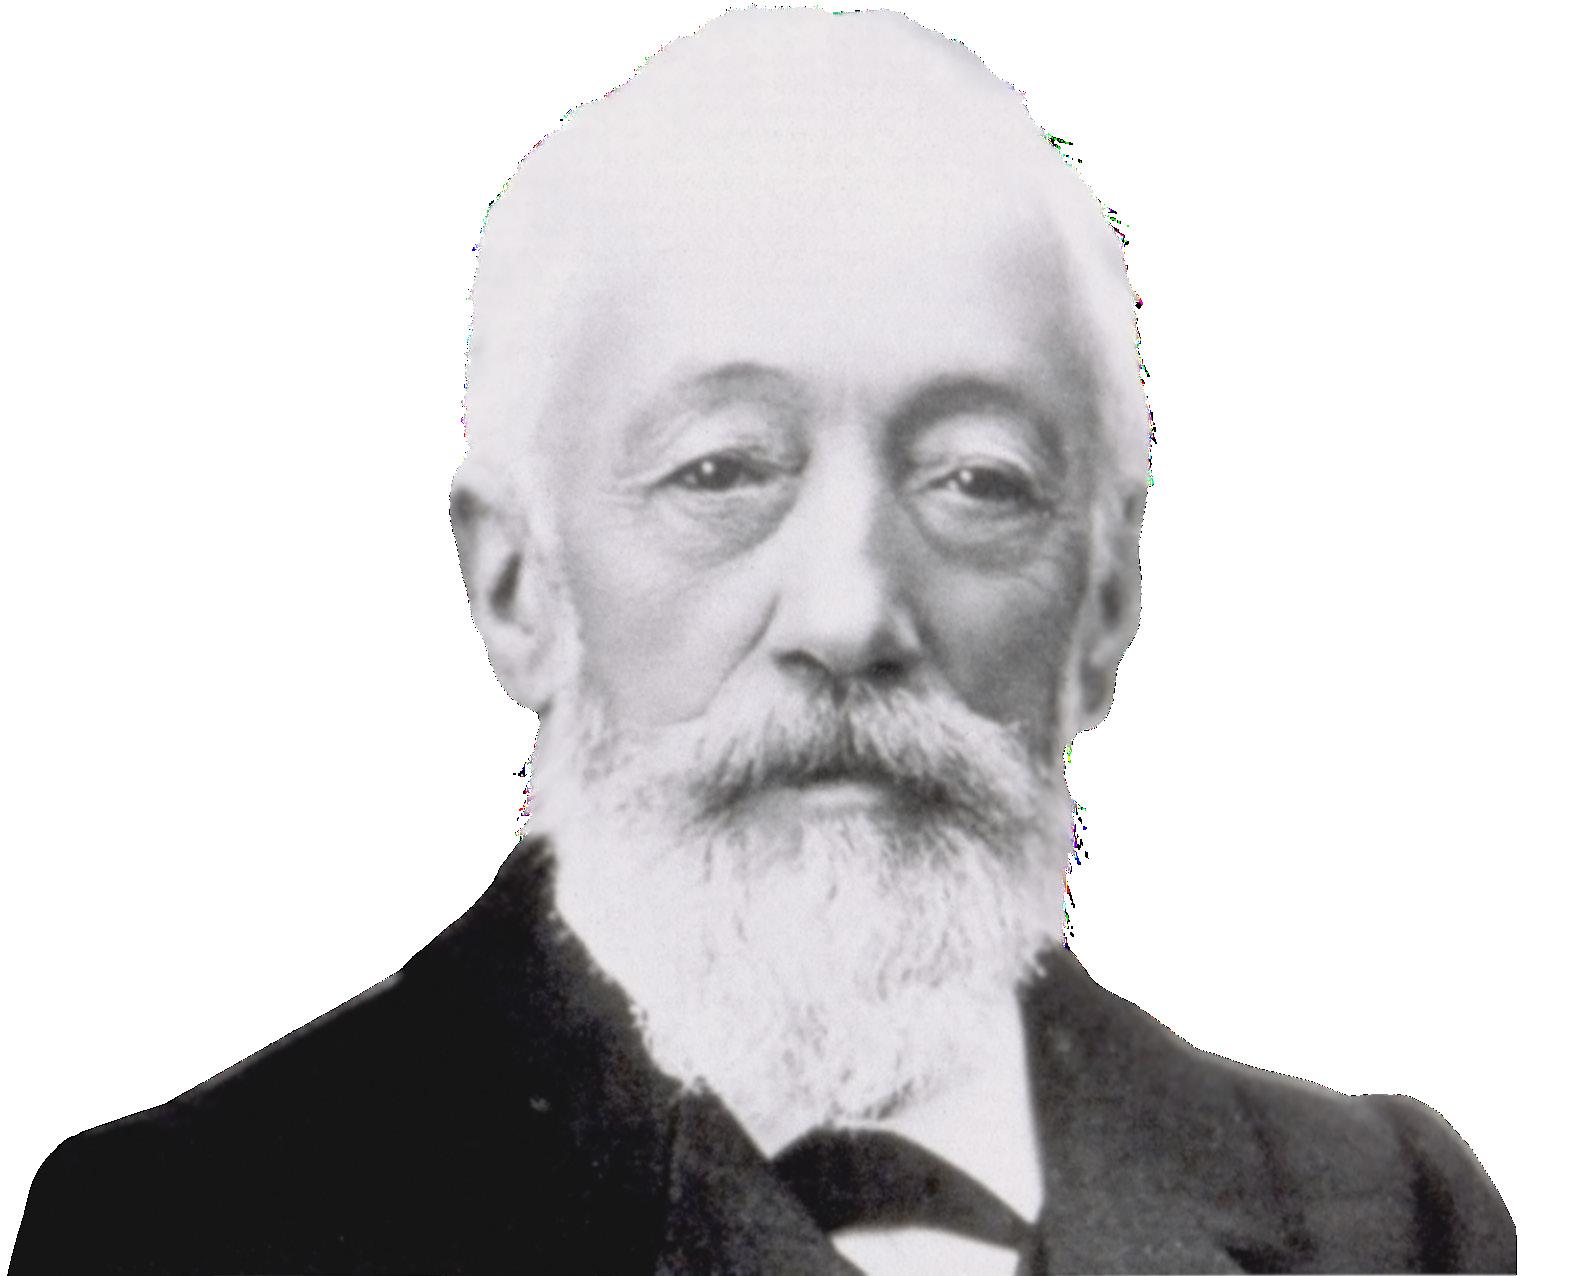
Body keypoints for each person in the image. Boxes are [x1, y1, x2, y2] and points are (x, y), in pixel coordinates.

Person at [8, 9, 1515, 1274]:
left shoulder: (1383, 1220)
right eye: (722, 470)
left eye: (978, 482)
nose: (850, 615)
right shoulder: (198, 1228)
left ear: (1108, 602)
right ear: (517, 591)